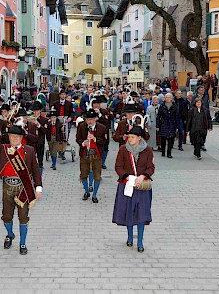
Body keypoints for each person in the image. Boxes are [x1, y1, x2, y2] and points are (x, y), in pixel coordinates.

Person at [0, 119, 43, 255]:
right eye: (12, 136)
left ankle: (22, 243)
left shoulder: (29, 150)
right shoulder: (4, 149)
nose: (14, 139)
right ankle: (10, 234)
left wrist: (38, 188)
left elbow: (35, 170)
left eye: (17, 137)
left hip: (23, 188)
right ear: (9, 137)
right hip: (7, 187)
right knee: (6, 216)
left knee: (23, 217)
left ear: (22, 138)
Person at [112, 125, 155, 253]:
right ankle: (130, 237)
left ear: (139, 138)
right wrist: (126, 177)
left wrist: (143, 176)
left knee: (141, 214)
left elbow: (151, 167)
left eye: (132, 137)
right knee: (128, 211)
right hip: (127, 185)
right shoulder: (123, 150)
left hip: (141, 187)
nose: (129, 139)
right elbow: (118, 166)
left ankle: (140, 241)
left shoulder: (147, 150)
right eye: (129, 137)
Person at [76, 108, 107, 203]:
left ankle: (94, 194)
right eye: (88, 119)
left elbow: (105, 142)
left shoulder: (102, 128)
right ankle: (86, 191)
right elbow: (78, 139)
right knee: (84, 174)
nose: (90, 121)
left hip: (96, 154)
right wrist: (82, 143)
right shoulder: (82, 126)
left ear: (95, 119)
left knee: (97, 175)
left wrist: (95, 139)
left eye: (92, 119)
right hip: (85, 153)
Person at [52, 91, 74, 160]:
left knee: (65, 136)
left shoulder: (69, 104)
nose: (63, 96)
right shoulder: (55, 103)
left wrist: (70, 118)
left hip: (66, 120)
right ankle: (59, 150)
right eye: (62, 94)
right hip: (58, 120)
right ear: (59, 96)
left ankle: (63, 151)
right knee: (58, 135)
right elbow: (53, 112)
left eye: (64, 94)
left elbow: (72, 113)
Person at [156, 93, 178, 158]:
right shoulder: (162, 106)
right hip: (163, 124)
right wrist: (157, 125)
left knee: (171, 139)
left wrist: (177, 126)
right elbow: (159, 116)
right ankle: (163, 151)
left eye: (169, 97)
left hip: (172, 124)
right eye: (166, 97)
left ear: (171, 98)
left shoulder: (175, 106)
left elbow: (177, 116)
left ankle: (169, 153)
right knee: (163, 139)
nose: (167, 98)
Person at [31, 101, 48, 174]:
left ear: (40, 111)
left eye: (37, 110)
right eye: (34, 111)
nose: (36, 112)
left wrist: (39, 125)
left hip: (40, 142)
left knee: (40, 159)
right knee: (32, 159)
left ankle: (39, 176)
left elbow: (45, 131)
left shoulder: (44, 120)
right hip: (32, 142)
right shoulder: (30, 119)